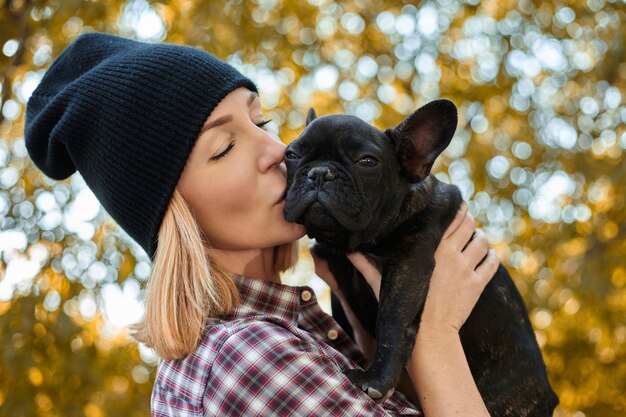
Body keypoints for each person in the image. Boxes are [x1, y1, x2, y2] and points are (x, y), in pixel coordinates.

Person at [24, 32, 499, 416]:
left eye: (262, 120)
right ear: (175, 213)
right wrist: (435, 333)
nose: (277, 150)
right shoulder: (248, 356)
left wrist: (368, 318)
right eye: (224, 147)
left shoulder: (293, 330)